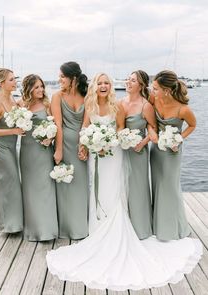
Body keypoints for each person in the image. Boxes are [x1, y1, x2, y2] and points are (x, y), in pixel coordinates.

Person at [46, 73, 202, 291]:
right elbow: (85, 129)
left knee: (115, 188)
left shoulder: (118, 106)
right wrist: (88, 144)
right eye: (99, 83)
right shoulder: (91, 105)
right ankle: (98, 224)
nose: (103, 86)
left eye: (106, 83)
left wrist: (110, 142)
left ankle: (121, 223)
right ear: (94, 86)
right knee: (98, 189)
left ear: (110, 86)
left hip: (114, 152)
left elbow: (120, 128)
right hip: (96, 155)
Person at [149, 70, 196, 241]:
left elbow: (192, 125)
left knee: (170, 187)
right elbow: (149, 121)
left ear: (166, 90)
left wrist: (179, 139)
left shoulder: (183, 109)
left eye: (155, 88)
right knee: (157, 185)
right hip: (156, 151)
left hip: (172, 152)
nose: (152, 91)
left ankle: (174, 227)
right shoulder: (153, 99)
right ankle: (158, 224)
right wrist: (151, 132)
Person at [51, 61, 89, 239]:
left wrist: (85, 146)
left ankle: (81, 226)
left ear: (73, 78)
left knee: (80, 184)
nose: (59, 80)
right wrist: (58, 150)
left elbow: (86, 124)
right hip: (64, 143)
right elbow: (57, 124)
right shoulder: (57, 96)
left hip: (81, 144)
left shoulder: (87, 95)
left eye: (62, 76)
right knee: (65, 183)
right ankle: (66, 227)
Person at [19, 74, 58, 241]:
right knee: (30, 189)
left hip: (43, 151)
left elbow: (56, 125)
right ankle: (33, 229)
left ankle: (47, 229)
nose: (41, 90)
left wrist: (51, 137)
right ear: (29, 89)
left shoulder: (47, 105)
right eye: (36, 87)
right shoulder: (21, 105)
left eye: (42, 86)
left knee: (46, 188)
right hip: (27, 151)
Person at [0, 68, 23, 233]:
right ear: (1, 83)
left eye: (15, 79)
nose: (15, 82)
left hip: (11, 146)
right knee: (9, 184)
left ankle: (15, 223)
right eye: (11, 80)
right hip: (1, 147)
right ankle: (9, 225)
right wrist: (13, 131)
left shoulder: (12, 98)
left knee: (13, 183)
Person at [120, 70, 156, 239]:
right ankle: (125, 225)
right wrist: (123, 137)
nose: (128, 82)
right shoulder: (121, 103)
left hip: (139, 152)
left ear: (141, 85)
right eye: (128, 79)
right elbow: (119, 127)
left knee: (138, 187)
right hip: (123, 151)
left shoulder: (146, 105)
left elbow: (153, 128)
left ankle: (141, 228)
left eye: (132, 80)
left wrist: (142, 143)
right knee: (124, 186)